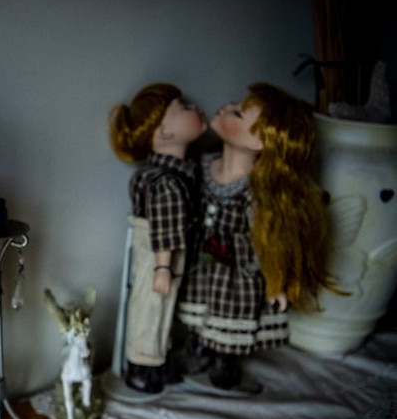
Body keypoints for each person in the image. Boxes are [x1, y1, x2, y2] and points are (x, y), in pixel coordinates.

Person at [177, 83, 335, 390]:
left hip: (237, 272)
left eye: (236, 113)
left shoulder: (258, 192)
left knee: (230, 315)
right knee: (199, 308)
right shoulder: (204, 166)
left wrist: (278, 284)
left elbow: (271, 239)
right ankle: (199, 348)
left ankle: (224, 360)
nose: (224, 107)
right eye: (233, 105)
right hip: (203, 262)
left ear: (260, 141)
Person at [109, 83, 207, 393]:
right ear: (163, 133)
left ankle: (158, 364)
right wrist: (162, 268)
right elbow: (163, 231)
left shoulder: (179, 174)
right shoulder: (166, 182)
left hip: (168, 258)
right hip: (159, 258)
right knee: (151, 313)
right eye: (184, 108)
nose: (194, 108)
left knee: (164, 315)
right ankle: (142, 369)